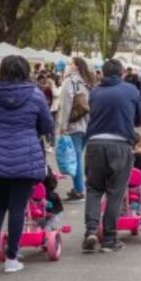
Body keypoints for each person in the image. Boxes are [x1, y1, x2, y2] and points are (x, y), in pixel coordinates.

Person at [0, 56, 54, 274]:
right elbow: (47, 124)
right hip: (25, 157)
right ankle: (12, 257)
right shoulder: (35, 94)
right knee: (17, 208)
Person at [82, 58, 141, 253]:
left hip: (94, 144)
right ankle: (109, 238)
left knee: (94, 188)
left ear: (102, 73)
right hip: (120, 144)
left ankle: (91, 230)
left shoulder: (94, 93)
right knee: (115, 191)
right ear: (122, 73)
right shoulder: (131, 91)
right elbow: (140, 119)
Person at [59, 56, 95, 201]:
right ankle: (79, 187)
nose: (68, 66)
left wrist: (63, 125)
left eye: (70, 64)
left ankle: (79, 190)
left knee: (76, 158)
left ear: (76, 66)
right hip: (89, 124)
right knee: (79, 156)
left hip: (75, 124)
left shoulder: (70, 82)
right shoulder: (90, 81)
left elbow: (66, 105)